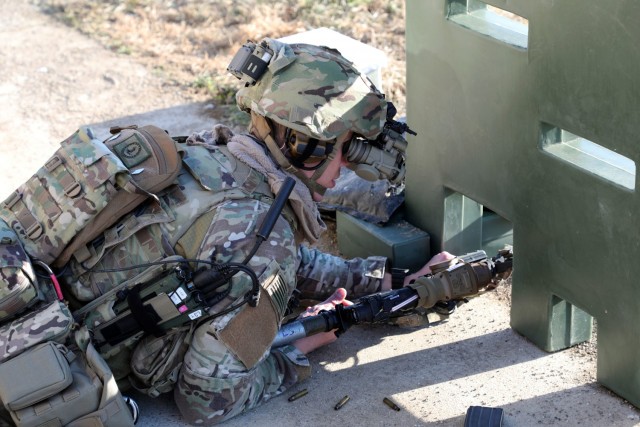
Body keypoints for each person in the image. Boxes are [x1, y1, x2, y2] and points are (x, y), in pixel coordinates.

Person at [0, 37, 454, 426]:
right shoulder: (261, 241)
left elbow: (268, 262)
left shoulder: (204, 157)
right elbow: (208, 399)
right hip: (35, 368)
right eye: (345, 153)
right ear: (306, 146)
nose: (346, 172)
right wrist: (303, 348)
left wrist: (387, 281)